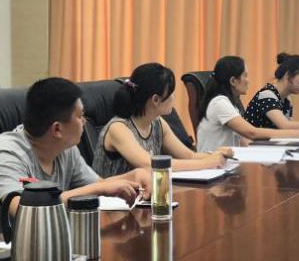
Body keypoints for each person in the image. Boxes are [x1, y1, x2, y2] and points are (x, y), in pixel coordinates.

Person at [0, 77, 148, 241]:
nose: (84, 122)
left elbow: (98, 185)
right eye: (80, 116)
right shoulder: (7, 154)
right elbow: (24, 210)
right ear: (57, 129)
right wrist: (99, 188)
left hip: (25, 249)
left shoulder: (65, 149)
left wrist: (133, 176)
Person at [93, 63, 231, 178]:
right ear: (155, 100)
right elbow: (150, 164)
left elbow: (188, 156)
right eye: (171, 93)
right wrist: (208, 162)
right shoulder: (118, 128)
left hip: (143, 194)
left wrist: (216, 155)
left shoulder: (157, 123)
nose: (173, 98)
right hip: (112, 200)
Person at [195, 56, 299, 152]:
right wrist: (298, 134)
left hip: (227, 163)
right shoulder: (219, 103)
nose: (248, 81)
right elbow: (252, 133)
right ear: (233, 81)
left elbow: (243, 140)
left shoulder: (231, 104)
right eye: (245, 76)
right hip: (213, 167)